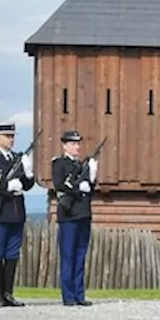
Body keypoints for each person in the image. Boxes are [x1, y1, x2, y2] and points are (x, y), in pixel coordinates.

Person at [0, 122, 36, 307]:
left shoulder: (18, 158)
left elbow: (27, 186)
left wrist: (28, 174)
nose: (11, 140)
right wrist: (5, 187)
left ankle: (8, 293)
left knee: (12, 254)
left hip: (15, 212)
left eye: (12, 136)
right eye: (7, 136)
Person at [51, 130, 97, 306]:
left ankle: (79, 294)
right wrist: (79, 189)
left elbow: (89, 190)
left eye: (78, 144)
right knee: (68, 256)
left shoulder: (81, 165)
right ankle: (68, 295)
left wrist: (92, 178)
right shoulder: (59, 164)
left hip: (83, 214)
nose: (76, 147)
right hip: (69, 215)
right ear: (64, 146)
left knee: (80, 255)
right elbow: (60, 185)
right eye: (72, 144)